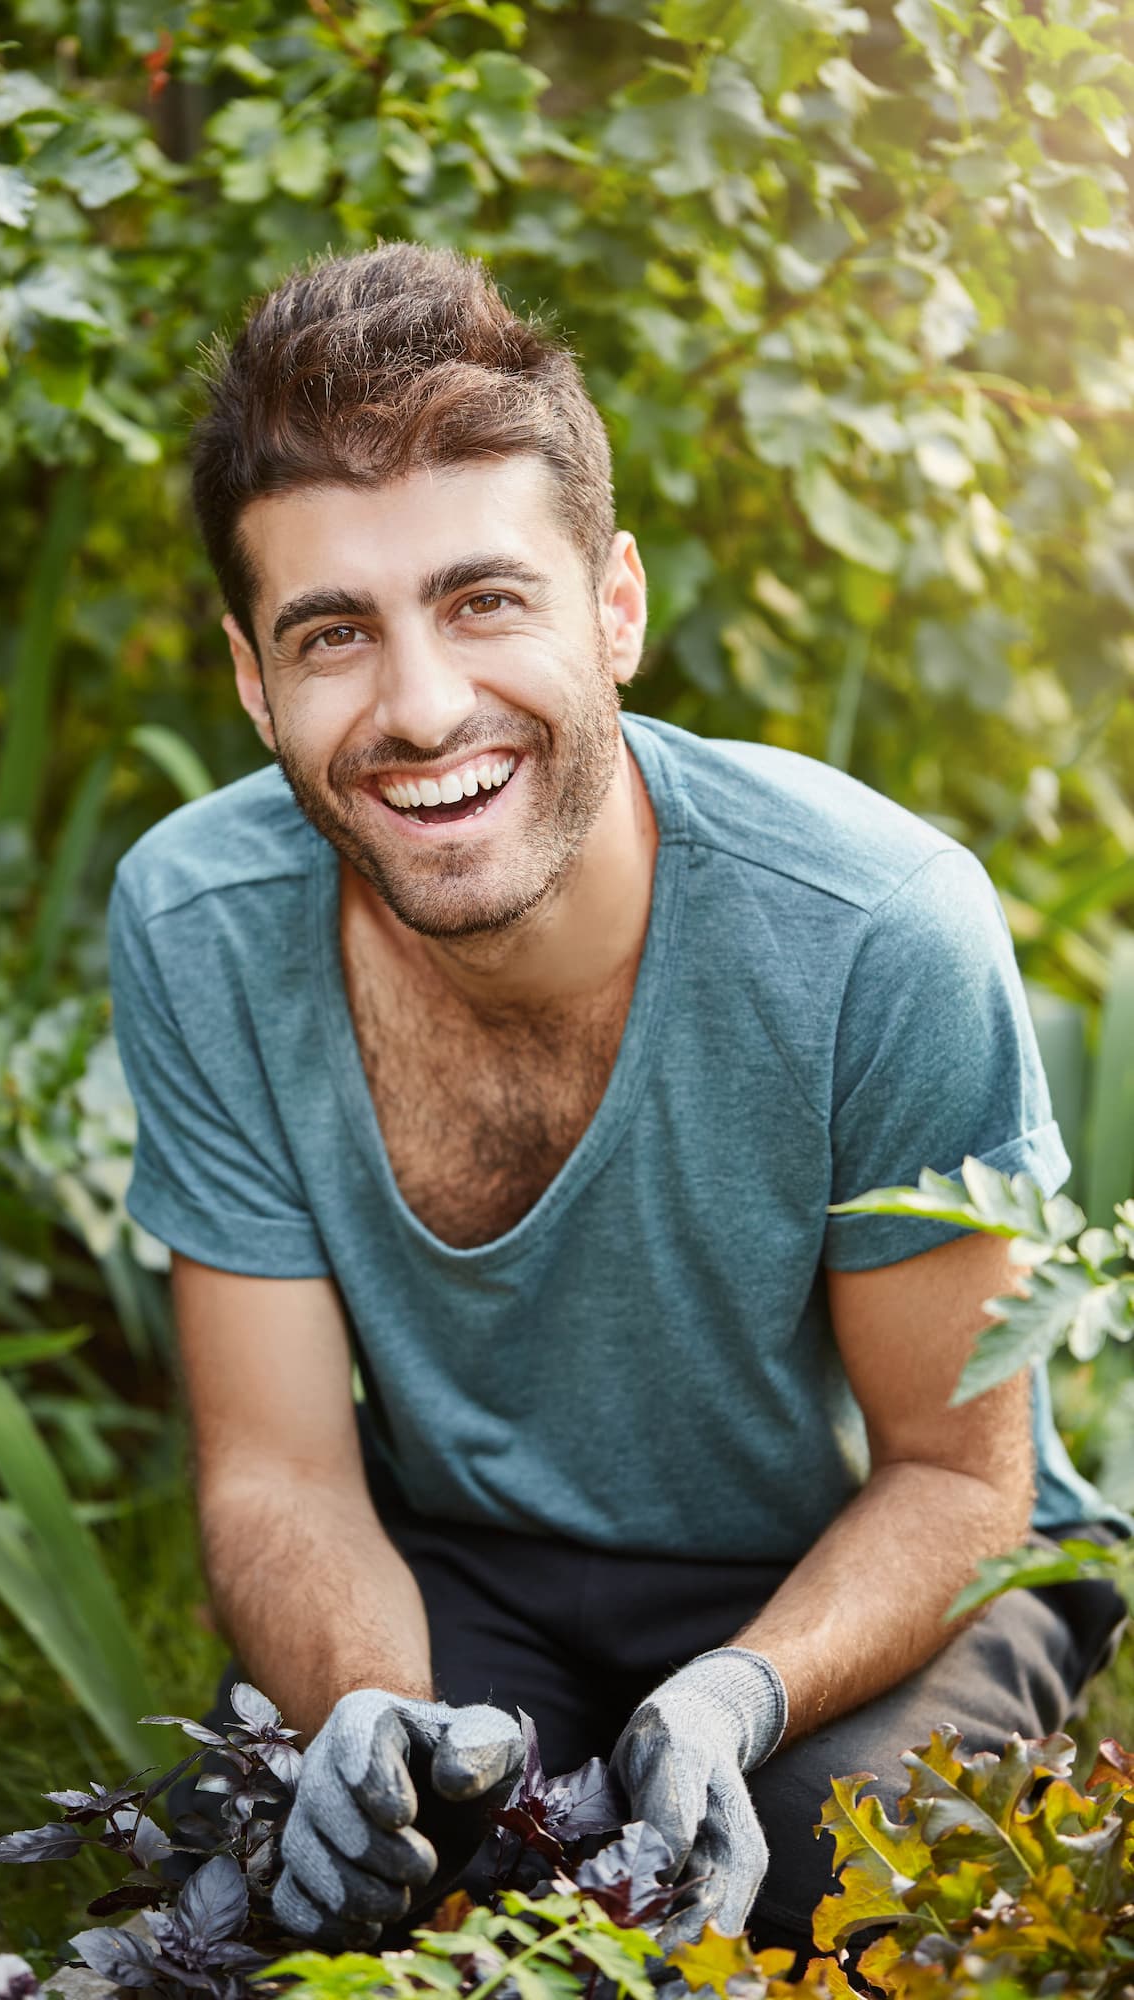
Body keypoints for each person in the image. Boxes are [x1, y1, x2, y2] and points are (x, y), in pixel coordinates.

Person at [108, 241, 1131, 1971]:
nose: (420, 707)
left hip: (857, 1566)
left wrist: (740, 1694)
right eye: (332, 634)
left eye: (483, 599)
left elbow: (962, 1478)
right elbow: (279, 1471)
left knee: (813, 1892)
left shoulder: (873, 928)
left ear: (617, 608)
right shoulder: (197, 920)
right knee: (381, 1878)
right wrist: (363, 1716)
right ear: (249, 678)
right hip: (477, 1562)